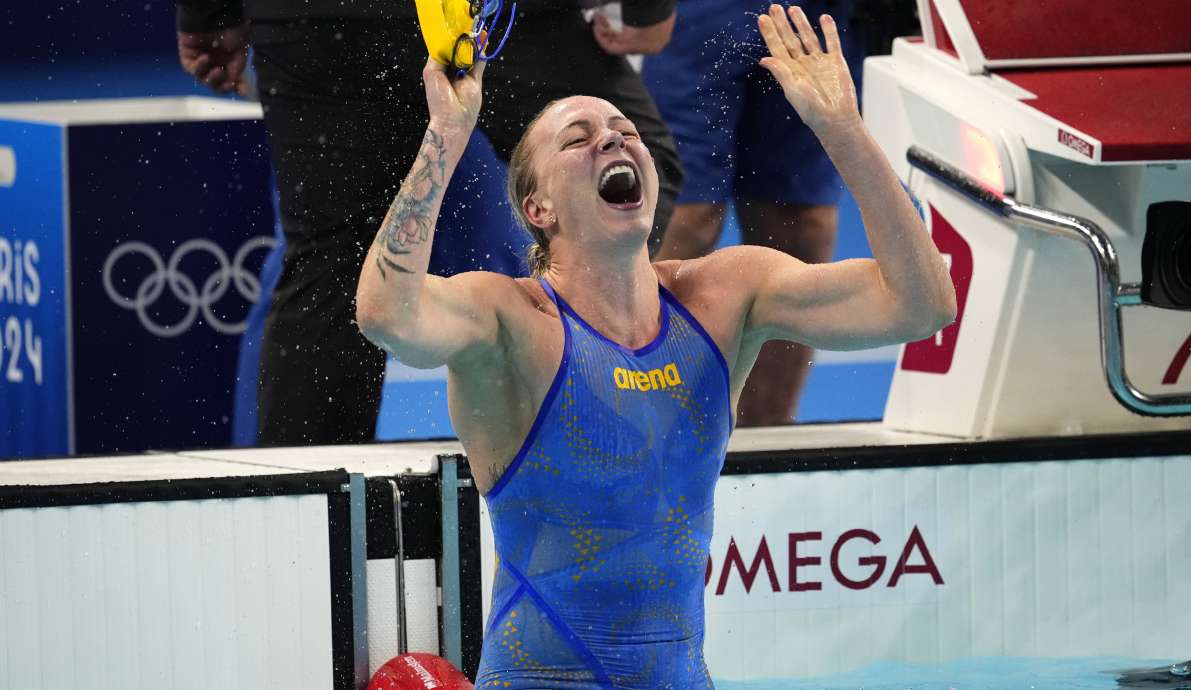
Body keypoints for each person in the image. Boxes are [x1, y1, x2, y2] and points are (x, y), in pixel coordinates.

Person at [356, 5, 955, 686]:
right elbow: (385, 313)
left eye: (625, 130)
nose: (613, 142)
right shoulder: (512, 322)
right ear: (538, 208)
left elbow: (921, 304)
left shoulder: (724, 295)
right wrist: (447, 133)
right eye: (579, 138)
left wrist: (842, 131)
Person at [174, 0, 685, 446]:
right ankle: (598, 423)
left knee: (329, 264)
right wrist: (647, 10)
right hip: (493, 15)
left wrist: (208, 15)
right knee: (635, 166)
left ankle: (305, 514)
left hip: (324, 19)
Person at [639, 0, 865, 427]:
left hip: (820, 11)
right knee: (685, 219)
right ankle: (641, 430)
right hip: (698, 11)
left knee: (797, 225)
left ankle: (768, 438)